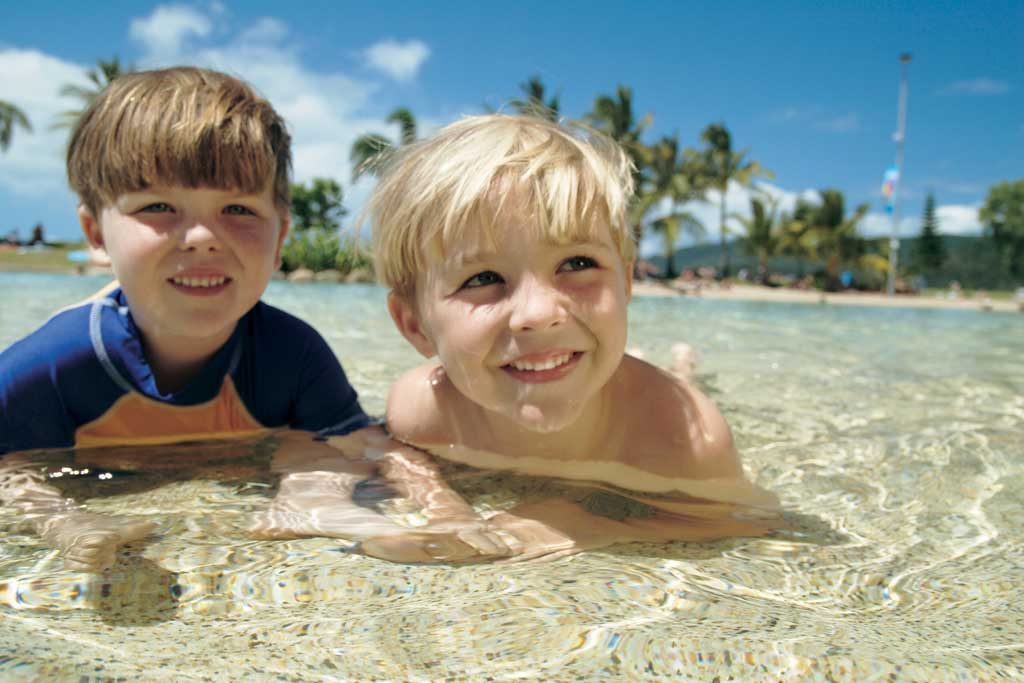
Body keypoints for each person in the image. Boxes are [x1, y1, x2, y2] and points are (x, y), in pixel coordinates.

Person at [0, 67, 497, 571]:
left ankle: (314, 506)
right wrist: (64, 523)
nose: (201, 237)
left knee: (321, 447)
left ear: (280, 237)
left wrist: (447, 507)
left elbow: (366, 442)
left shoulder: (292, 354)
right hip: (93, 488)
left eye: (237, 208)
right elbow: (9, 469)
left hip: (237, 472)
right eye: (158, 207)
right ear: (96, 235)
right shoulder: (51, 366)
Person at [363, 114, 781, 561]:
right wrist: (442, 505)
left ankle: (684, 370)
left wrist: (585, 521)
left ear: (626, 284)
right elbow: (391, 453)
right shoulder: (421, 412)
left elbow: (741, 518)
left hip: (650, 400)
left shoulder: (685, 436)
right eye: (483, 277)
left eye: (577, 264)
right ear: (414, 325)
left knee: (683, 388)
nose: (539, 314)